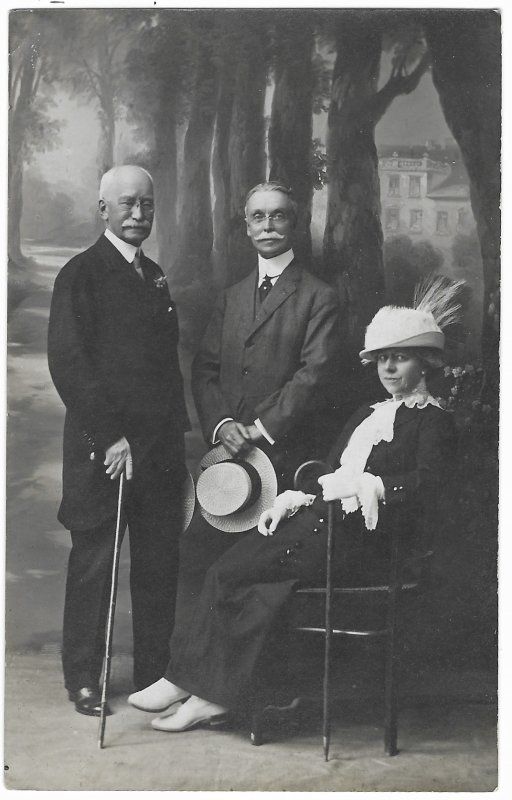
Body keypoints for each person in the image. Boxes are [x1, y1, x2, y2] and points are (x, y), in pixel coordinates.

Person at [127, 276, 460, 733]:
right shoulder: (366, 414)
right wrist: (295, 498)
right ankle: (206, 696)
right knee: (255, 585)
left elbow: (428, 488)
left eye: (399, 358)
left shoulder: (434, 423)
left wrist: (372, 487)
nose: (388, 369)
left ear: (425, 364)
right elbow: (329, 470)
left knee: (230, 573)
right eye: (381, 359)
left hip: (374, 543)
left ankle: (183, 681)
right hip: (327, 527)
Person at [48, 165, 190, 716]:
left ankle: (153, 674)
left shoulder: (154, 275)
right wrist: (110, 437)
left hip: (156, 454)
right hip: (101, 452)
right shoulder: (80, 274)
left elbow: (165, 371)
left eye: (147, 206)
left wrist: (178, 444)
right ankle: (85, 677)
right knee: (96, 563)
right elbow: (69, 363)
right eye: (128, 204)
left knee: (158, 563)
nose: (139, 215)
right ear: (103, 209)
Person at [191, 181, 341, 489]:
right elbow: (204, 369)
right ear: (248, 227)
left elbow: (314, 374)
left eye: (278, 216)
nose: (268, 226)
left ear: (294, 224)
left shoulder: (319, 296)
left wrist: (261, 428)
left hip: (286, 453)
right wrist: (222, 425)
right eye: (258, 217)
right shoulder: (230, 297)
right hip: (228, 455)